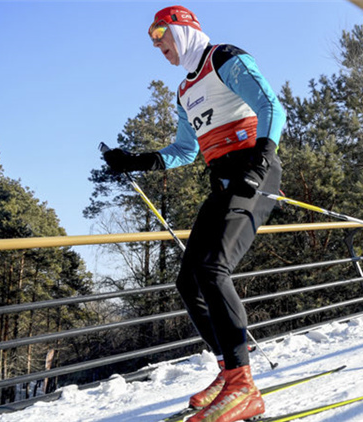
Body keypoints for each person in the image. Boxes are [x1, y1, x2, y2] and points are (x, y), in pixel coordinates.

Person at [102, 6, 285, 422]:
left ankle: (244, 386)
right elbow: (186, 150)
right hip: (222, 180)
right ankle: (227, 371)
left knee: (213, 268)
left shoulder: (224, 58)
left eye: (162, 34)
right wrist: (135, 161)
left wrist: (259, 163)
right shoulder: (185, 90)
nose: (158, 45)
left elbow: (272, 106)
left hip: (255, 173)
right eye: (152, 40)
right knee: (190, 280)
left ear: (184, 29)